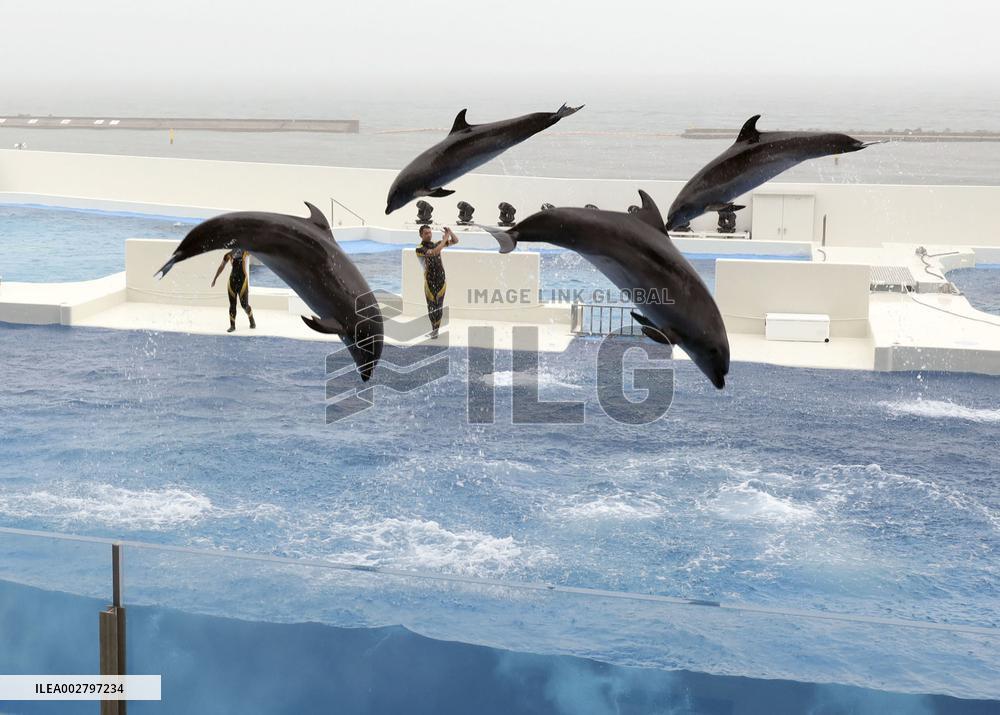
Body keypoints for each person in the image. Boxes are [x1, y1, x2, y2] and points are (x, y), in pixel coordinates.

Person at [414, 225, 458, 339]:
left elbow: (455, 241)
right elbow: (433, 252)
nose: (429, 235)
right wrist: (444, 239)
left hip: (441, 280)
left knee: (439, 306)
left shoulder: (436, 243)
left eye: (430, 232)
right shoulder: (419, 249)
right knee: (431, 307)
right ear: (421, 235)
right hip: (429, 282)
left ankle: (436, 331)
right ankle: (433, 329)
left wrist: (450, 232)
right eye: (426, 233)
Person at [211, 247, 256, 333]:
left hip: (242, 281)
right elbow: (221, 266)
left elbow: (256, 251)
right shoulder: (228, 255)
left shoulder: (245, 251)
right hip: (232, 281)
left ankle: (251, 318)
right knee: (232, 304)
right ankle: (232, 325)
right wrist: (215, 278)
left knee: (244, 305)